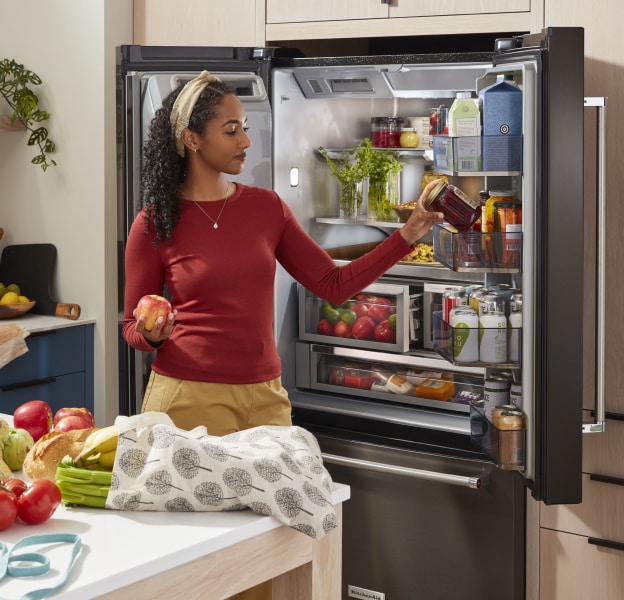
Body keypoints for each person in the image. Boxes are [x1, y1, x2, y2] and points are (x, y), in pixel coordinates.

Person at [121, 71, 442, 600]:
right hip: (188, 402)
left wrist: (405, 236)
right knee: (205, 566)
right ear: (192, 139)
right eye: (231, 130)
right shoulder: (155, 222)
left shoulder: (265, 208)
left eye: (245, 128)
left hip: (266, 402)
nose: (246, 141)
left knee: (278, 556)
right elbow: (135, 323)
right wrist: (152, 336)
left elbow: (332, 283)